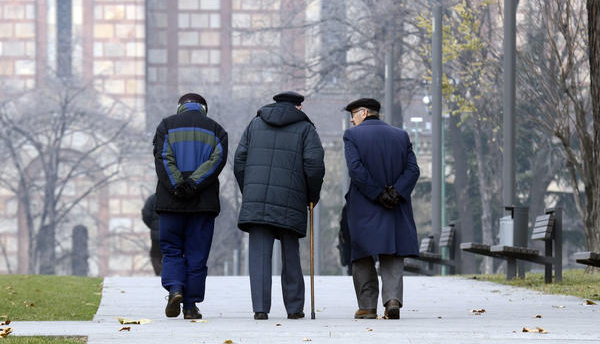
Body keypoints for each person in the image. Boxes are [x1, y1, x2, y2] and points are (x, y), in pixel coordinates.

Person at [234, 91, 325, 320]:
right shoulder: (305, 129)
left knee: (259, 255)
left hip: (257, 199)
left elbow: (239, 160)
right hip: (291, 199)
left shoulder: (255, 124)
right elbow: (314, 166)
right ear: (299, 107)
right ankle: (294, 308)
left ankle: (260, 309)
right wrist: (311, 197)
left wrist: (250, 189)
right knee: (291, 254)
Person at [343, 98, 419, 320]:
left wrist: (377, 193)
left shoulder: (352, 135)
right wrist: (396, 192)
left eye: (354, 114)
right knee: (393, 250)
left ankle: (367, 306)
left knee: (362, 253)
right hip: (397, 204)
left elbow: (356, 170)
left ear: (364, 113)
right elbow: (413, 170)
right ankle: (392, 299)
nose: (351, 119)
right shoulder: (401, 135)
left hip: (365, 204)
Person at [153, 93, 228, 320]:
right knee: (197, 254)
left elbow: (164, 158)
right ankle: (190, 306)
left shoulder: (166, 125)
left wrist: (178, 185)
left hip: (171, 202)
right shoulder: (217, 130)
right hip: (202, 203)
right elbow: (216, 161)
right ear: (204, 108)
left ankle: (175, 289)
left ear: (180, 107)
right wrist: (193, 184)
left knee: (172, 249)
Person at [141, 193, 162, 275]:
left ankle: (160, 271)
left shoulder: (152, 198)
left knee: (155, 254)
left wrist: (152, 226)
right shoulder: (172, 197)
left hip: (156, 234)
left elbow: (146, 214)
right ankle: (167, 272)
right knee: (170, 252)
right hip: (172, 231)